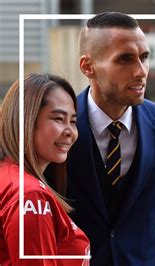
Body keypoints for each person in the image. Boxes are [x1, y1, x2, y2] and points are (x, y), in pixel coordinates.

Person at [66, 12, 155, 265]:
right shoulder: (57, 128)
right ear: (87, 66)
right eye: (125, 59)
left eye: (145, 57)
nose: (141, 71)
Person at [0, 73, 90, 265]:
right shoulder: (31, 196)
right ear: (26, 121)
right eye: (58, 119)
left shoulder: (10, 179)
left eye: (73, 121)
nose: (70, 132)